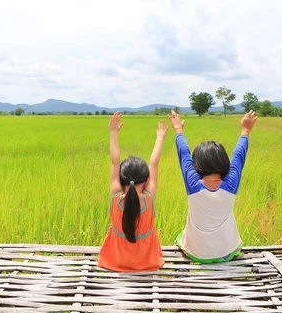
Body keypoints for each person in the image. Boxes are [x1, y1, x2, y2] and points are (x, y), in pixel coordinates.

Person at [168, 109, 257, 263]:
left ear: (197, 164)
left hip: (196, 253)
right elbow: (239, 155)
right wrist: (245, 130)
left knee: (181, 236)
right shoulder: (231, 184)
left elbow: (184, 153)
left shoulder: (193, 184)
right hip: (226, 253)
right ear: (224, 162)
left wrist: (178, 129)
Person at [98, 111, 168, 271]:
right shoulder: (149, 199)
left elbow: (115, 162)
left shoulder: (116, 197)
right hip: (147, 264)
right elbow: (154, 164)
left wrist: (113, 132)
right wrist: (160, 138)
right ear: (147, 180)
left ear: (120, 179)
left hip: (115, 262)